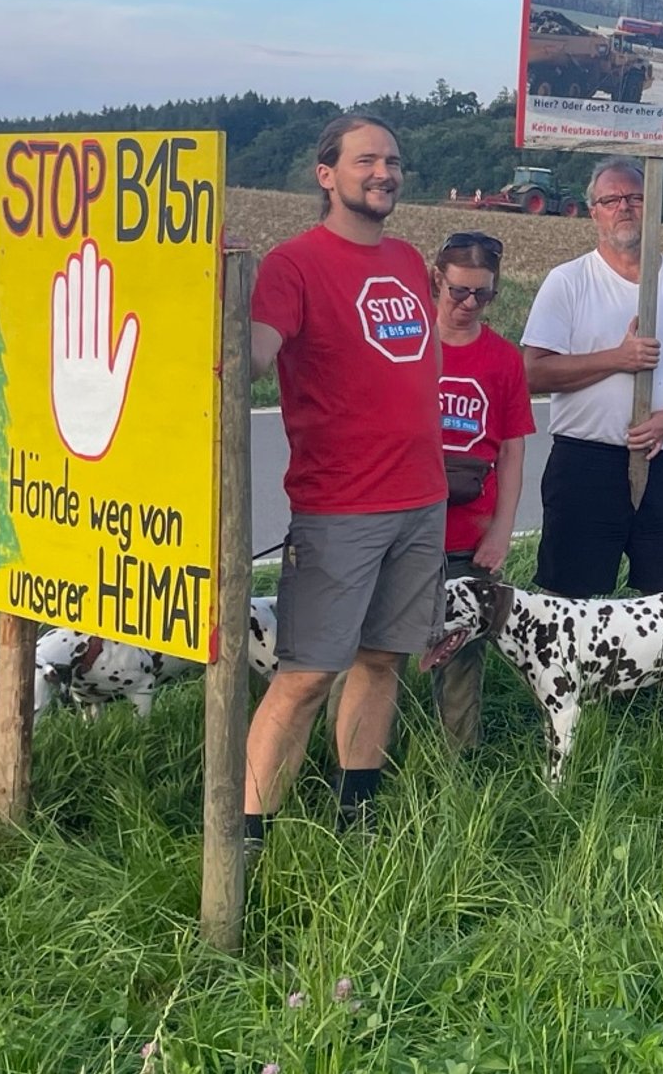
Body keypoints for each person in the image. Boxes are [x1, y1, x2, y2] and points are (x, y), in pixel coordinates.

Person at [244, 113, 445, 843]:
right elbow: (255, 357)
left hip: (420, 499)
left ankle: (356, 813)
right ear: (326, 174)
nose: (384, 172)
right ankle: (249, 837)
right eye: (366, 160)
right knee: (304, 675)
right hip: (339, 505)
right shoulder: (293, 264)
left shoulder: (407, 260)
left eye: (393, 160)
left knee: (384, 658)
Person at [520, 156, 663, 599]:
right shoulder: (569, 282)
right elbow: (532, 372)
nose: (625, 208)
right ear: (593, 210)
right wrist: (617, 358)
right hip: (586, 461)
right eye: (611, 199)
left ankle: (661, 671)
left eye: (636, 197)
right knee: (570, 597)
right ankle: (573, 672)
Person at [427, 231, 534, 750]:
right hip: (400, 524)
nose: (469, 304)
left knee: (462, 650)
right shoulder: (408, 341)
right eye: (459, 292)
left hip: (468, 531)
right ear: (436, 281)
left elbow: (513, 451)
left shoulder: (502, 359)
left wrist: (501, 532)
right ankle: (355, 763)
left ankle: (458, 761)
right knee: (372, 649)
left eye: (483, 295)